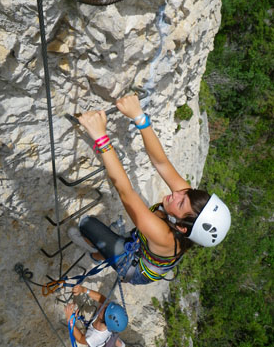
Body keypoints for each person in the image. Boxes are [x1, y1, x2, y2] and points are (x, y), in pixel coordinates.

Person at [68, 94, 231, 285]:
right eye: (185, 193)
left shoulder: (164, 235)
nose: (177, 193)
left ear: (181, 226)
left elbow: (125, 191)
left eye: (180, 202)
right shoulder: (187, 204)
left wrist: (100, 137)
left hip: (136, 270)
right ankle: (103, 253)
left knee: (88, 224)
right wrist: (139, 117)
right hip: (147, 244)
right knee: (134, 235)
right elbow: (161, 162)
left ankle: (99, 254)